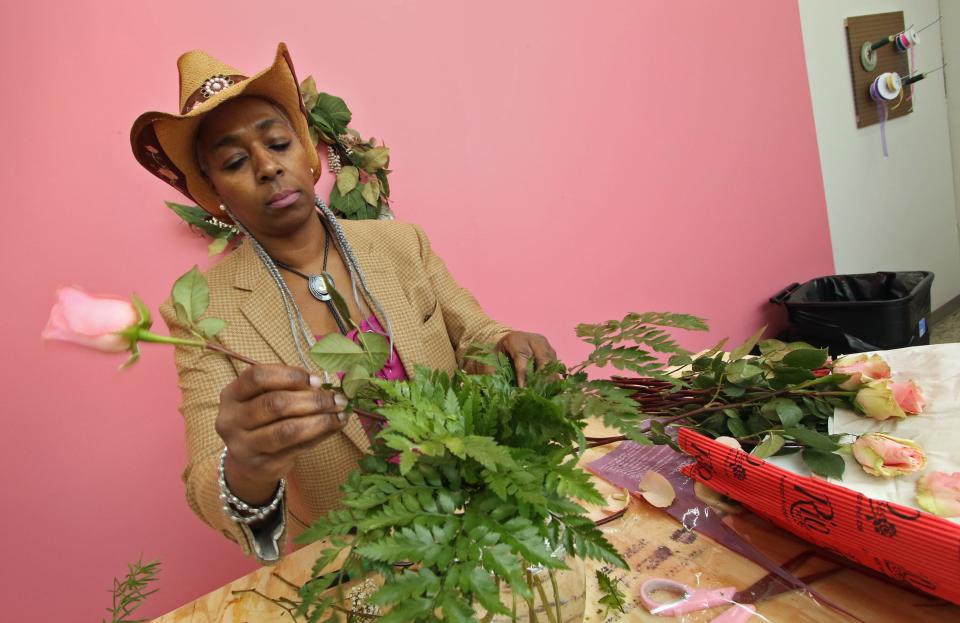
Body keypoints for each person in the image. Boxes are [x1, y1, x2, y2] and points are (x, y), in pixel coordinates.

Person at [130, 43, 557, 563]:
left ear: (309, 153)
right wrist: (245, 471)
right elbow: (206, 479)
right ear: (214, 192)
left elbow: (476, 333)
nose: (267, 166)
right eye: (236, 161)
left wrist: (509, 344)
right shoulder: (202, 311)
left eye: (279, 142)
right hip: (356, 566)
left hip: (484, 521)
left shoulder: (403, 245)